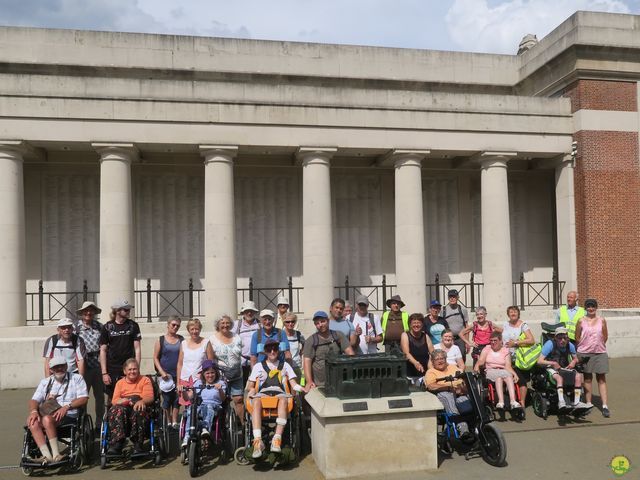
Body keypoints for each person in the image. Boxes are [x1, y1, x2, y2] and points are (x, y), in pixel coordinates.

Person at [246, 338, 304, 458]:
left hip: (279, 393)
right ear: (265, 352)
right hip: (264, 393)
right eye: (269, 349)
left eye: (275, 349)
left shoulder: (285, 365)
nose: (272, 351)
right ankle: (258, 441)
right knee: (256, 401)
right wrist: (251, 391)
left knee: (283, 400)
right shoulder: (258, 366)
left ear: (278, 351)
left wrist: (302, 388)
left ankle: (277, 439)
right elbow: (251, 386)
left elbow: (293, 384)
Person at [26, 357, 89, 464]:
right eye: (56, 367)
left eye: (62, 366)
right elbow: (34, 400)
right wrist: (34, 412)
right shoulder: (45, 382)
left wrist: (67, 407)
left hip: (70, 415)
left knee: (46, 419)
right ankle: (46, 455)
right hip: (49, 415)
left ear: (66, 366)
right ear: (51, 369)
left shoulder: (77, 378)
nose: (59, 368)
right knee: (32, 422)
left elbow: (84, 398)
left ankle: (56, 455)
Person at [106, 358, 154, 455]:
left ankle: (137, 444)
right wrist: (122, 401)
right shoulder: (120, 383)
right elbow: (114, 400)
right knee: (116, 409)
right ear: (125, 371)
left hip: (140, 403)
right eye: (130, 369)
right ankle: (117, 443)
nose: (132, 371)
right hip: (124, 406)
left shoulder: (145, 380)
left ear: (138, 370)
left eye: (135, 369)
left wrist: (142, 401)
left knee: (139, 410)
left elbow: (150, 397)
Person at [537, 326, 588, 410]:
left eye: (564, 338)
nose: (562, 340)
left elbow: (575, 358)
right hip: (550, 368)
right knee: (559, 378)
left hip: (564, 368)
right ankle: (561, 401)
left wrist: (574, 361)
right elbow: (539, 361)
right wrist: (553, 363)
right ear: (555, 338)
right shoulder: (549, 344)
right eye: (560, 338)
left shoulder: (570, 345)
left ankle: (577, 402)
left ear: (567, 338)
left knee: (578, 376)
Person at [99, 300, 141, 402]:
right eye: (126, 310)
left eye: (129, 310)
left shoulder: (133, 325)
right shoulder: (107, 327)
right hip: (112, 368)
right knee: (112, 397)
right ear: (117, 311)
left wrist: (137, 368)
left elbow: (137, 348)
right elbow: (103, 350)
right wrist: (104, 373)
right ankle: (110, 417)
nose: (128, 312)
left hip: (128, 367)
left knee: (129, 395)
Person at [575, 298, 610, 417]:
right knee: (587, 378)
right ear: (585, 308)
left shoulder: (602, 320)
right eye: (589, 306)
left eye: (593, 306)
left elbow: (605, 336)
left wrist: (597, 345)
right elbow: (577, 337)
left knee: (601, 378)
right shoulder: (581, 321)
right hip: (585, 353)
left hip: (600, 352)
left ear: (596, 308)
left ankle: (604, 406)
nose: (591, 308)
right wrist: (585, 346)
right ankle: (588, 403)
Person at [303, 311, 355, 390]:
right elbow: (307, 362)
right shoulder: (311, 340)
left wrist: (350, 374)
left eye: (323, 321)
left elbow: (350, 354)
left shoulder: (338, 335)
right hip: (319, 384)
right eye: (317, 323)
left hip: (338, 381)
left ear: (328, 321)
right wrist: (309, 382)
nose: (320, 325)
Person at [425, 350, 471, 438]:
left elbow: (463, 381)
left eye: (442, 358)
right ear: (433, 361)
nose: (440, 361)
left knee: (466, 399)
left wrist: (463, 389)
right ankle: (462, 426)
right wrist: (449, 388)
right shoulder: (431, 372)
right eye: (437, 359)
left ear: (446, 359)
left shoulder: (453, 367)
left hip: (459, 393)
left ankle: (473, 423)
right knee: (446, 395)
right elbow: (431, 386)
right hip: (442, 394)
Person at [75, 301, 104, 431]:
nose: (88, 313)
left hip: (98, 364)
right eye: (86, 311)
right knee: (82, 397)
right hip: (83, 366)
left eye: (91, 311)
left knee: (100, 397)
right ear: (82, 313)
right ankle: (83, 424)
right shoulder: (76, 328)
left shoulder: (100, 326)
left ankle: (100, 423)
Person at [183, 359, 227, 445]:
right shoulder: (198, 383)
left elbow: (223, 399)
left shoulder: (220, 383)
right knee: (191, 409)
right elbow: (188, 398)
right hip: (199, 405)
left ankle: (205, 427)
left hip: (215, 406)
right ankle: (187, 436)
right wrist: (183, 391)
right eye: (207, 373)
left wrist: (220, 389)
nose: (210, 375)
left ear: (216, 373)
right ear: (203, 374)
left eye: (212, 373)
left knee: (209, 406)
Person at [209, 314, 244, 421]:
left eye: (228, 323)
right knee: (222, 400)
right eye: (222, 323)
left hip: (237, 374)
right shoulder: (212, 339)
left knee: (239, 399)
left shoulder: (236, 336)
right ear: (218, 325)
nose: (225, 325)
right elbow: (210, 358)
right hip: (221, 375)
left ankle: (242, 426)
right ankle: (223, 424)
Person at [474, 332, 520, 410]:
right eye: (491, 340)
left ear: (500, 341)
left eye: (495, 340)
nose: (493, 342)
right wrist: (477, 365)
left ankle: (513, 401)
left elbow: (508, 366)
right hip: (490, 370)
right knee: (499, 378)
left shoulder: (505, 350)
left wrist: (514, 374)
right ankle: (501, 402)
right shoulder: (487, 349)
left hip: (503, 370)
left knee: (509, 376)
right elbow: (481, 360)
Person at [153, 315, 183, 429]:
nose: (175, 327)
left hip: (178, 374)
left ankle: (175, 421)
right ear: (168, 325)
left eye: (177, 325)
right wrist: (162, 372)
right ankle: (168, 420)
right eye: (173, 325)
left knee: (177, 399)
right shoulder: (161, 340)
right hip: (165, 375)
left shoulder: (181, 340)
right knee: (166, 399)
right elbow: (155, 357)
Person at [501, 305, 535, 405]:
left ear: (518, 313)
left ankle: (522, 402)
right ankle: (508, 400)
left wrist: (515, 343)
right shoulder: (505, 324)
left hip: (519, 357)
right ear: (508, 314)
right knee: (506, 378)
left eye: (515, 311)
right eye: (511, 312)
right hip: (506, 356)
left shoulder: (523, 325)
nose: (513, 313)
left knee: (521, 381)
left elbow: (531, 340)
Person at [176, 318, 215, 405]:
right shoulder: (183, 343)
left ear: (200, 329)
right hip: (185, 378)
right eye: (192, 329)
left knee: (199, 405)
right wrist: (178, 382)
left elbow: (211, 363)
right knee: (187, 406)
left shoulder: (206, 342)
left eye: (196, 329)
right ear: (188, 330)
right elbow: (180, 364)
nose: (194, 331)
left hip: (199, 379)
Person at [400, 313, 433, 385]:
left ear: (422, 324)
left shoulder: (426, 336)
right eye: (414, 323)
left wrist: (430, 367)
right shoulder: (405, 335)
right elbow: (406, 353)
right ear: (410, 325)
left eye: (418, 323)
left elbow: (432, 353)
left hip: (424, 373)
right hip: (409, 373)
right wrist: (416, 363)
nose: (416, 325)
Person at [234, 301, 261, 382]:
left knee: (257, 385)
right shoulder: (237, 324)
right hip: (241, 362)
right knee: (241, 387)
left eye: (251, 311)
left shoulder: (260, 325)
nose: (249, 313)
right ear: (243, 312)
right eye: (247, 311)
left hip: (257, 361)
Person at [440, 290, 469, 362]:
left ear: (458, 297)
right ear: (448, 298)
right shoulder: (443, 310)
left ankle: (461, 372)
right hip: (448, 338)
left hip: (460, 339)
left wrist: (467, 342)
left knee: (461, 357)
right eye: (450, 297)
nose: (452, 298)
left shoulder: (463, 309)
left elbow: (466, 326)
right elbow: (441, 326)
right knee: (448, 358)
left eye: (454, 296)